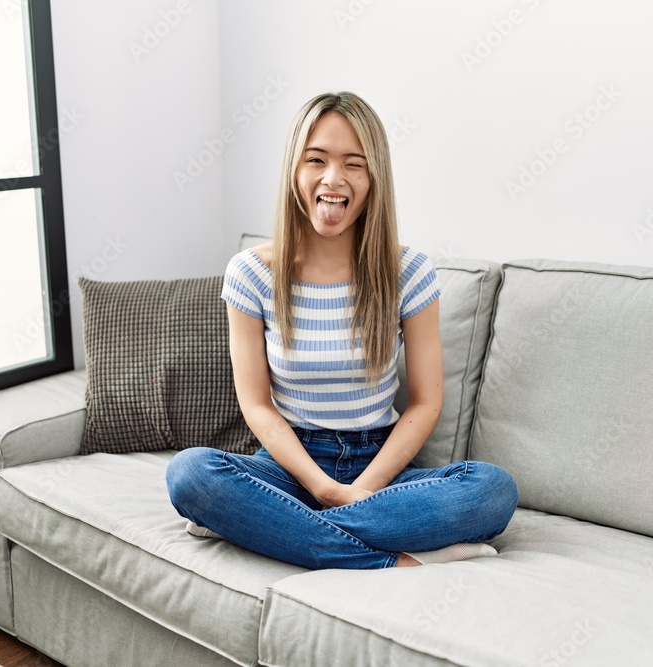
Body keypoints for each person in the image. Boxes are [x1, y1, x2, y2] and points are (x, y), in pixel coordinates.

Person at [166, 91, 518, 569]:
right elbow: (255, 405)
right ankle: (396, 560)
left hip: (382, 465)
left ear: (374, 179)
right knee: (192, 476)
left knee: (493, 491)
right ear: (295, 169)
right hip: (290, 465)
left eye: (354, 164)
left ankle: (266, 526)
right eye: (317, 160)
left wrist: (362, 489)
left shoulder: (409, 271)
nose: (334, 179)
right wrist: (320, 487)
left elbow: (426, 403)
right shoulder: (250, 273)